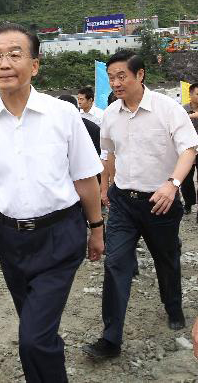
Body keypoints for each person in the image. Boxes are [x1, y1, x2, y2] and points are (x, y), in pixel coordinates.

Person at [0, 23, 105, 383]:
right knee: (37, 331)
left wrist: (96, 228)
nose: (4, 63)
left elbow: (85, 179)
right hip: (10, 239)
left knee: (33, 338)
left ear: (35, 65)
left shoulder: (63, 115)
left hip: (60, 234)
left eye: (15, 54)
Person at [83, 50, 198, 359]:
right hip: (123, 201)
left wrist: (173, 184)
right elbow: (108, 154)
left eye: (122, 76)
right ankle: (110, 339)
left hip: (161, 202)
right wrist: (105, 188)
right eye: (112, 78)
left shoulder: (167, 108)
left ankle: (173, 306)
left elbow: (189, 149)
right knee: (115, 263)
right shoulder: (110, 114)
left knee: (166, 258)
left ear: (140, 74)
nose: (116, 83)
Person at [180, 82, 198, 219]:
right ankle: (188, 203)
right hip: (188, 149)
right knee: (186, 180)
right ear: (190, 94)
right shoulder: (182, 110)